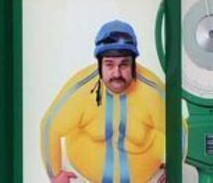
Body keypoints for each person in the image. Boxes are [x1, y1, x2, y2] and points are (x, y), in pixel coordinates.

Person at [41, 20, 167, 183]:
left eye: (124, 64)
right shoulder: (82, 88)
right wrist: (55, 174)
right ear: (99, 64)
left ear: (134, 64)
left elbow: (179, 130)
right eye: (109, 64)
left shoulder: (153, 91)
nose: (116, 73)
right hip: (83, 177)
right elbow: (49, 126)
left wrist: (173, 167)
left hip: (147, 178)